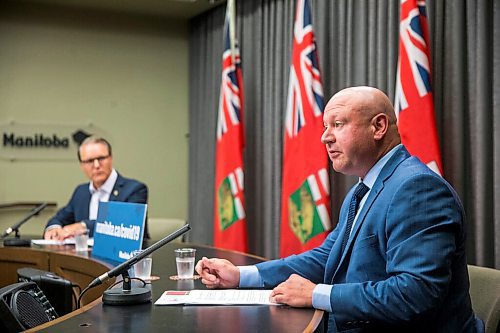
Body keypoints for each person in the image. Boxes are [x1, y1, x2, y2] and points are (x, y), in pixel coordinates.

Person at [195, 87, 483, 332]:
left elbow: (415, 294)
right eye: (324, 127)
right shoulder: (365, 187)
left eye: (337, 124)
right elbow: (326, 257)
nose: (325, 137)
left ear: (378, 127)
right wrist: (242, 276)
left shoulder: (417, 188)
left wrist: (316, 294)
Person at [44, 136, 149, 240]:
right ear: (81, 165)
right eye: (89, 161)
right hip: (83, 256)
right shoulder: (81, 192)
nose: (96, 165)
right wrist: (54, 229)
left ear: (111, 158)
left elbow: (124, 225)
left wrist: (83, 226)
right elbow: (60, 218)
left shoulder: (134, 190)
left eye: (101, 158)